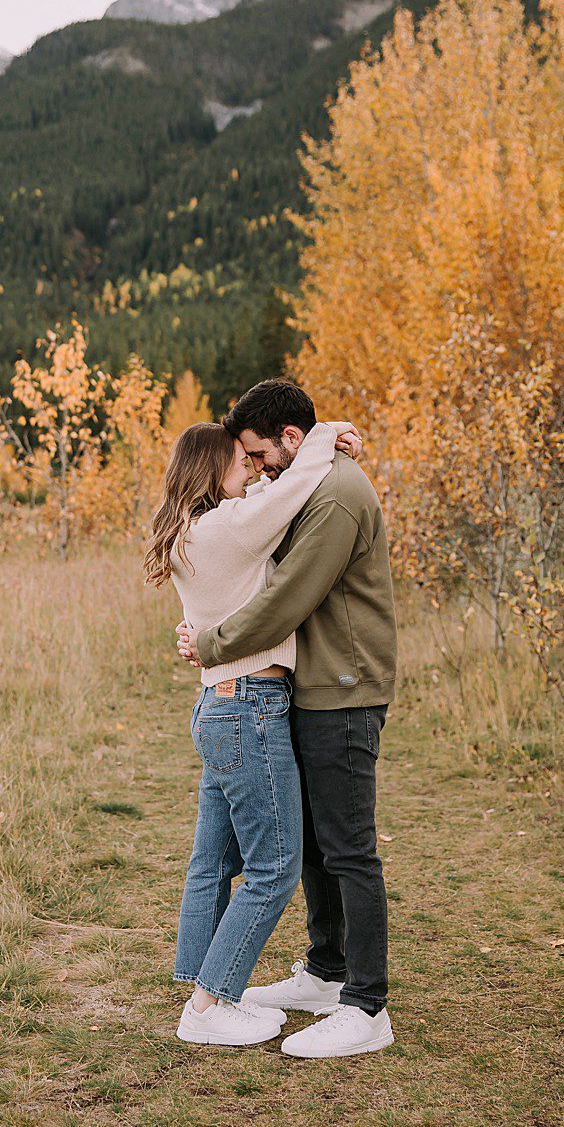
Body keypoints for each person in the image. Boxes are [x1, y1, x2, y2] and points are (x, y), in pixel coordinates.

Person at [176, 377, 398, 1059]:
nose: (260, 468)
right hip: (310, 687)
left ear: (289, 441)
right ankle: (327, 973)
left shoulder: (334, 494)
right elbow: (271, 511)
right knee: (312, 845)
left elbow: (291, 596)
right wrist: (325, 438)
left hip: (344, 687)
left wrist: (211, 642)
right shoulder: (311, 477)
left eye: (259, 454)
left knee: (348, 848)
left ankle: (366, 1006)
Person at [146, 414, 359, 1046]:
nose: (254, 472)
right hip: (251, 709)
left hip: (222, 705)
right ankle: (212, 1006)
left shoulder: (194, 530)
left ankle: (202, 990)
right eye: (242, 466)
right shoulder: (227, 529)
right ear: (214, 472)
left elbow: (268, 496)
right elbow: (291, 491)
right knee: (274, 866)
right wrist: (324, 435)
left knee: (213, 860)